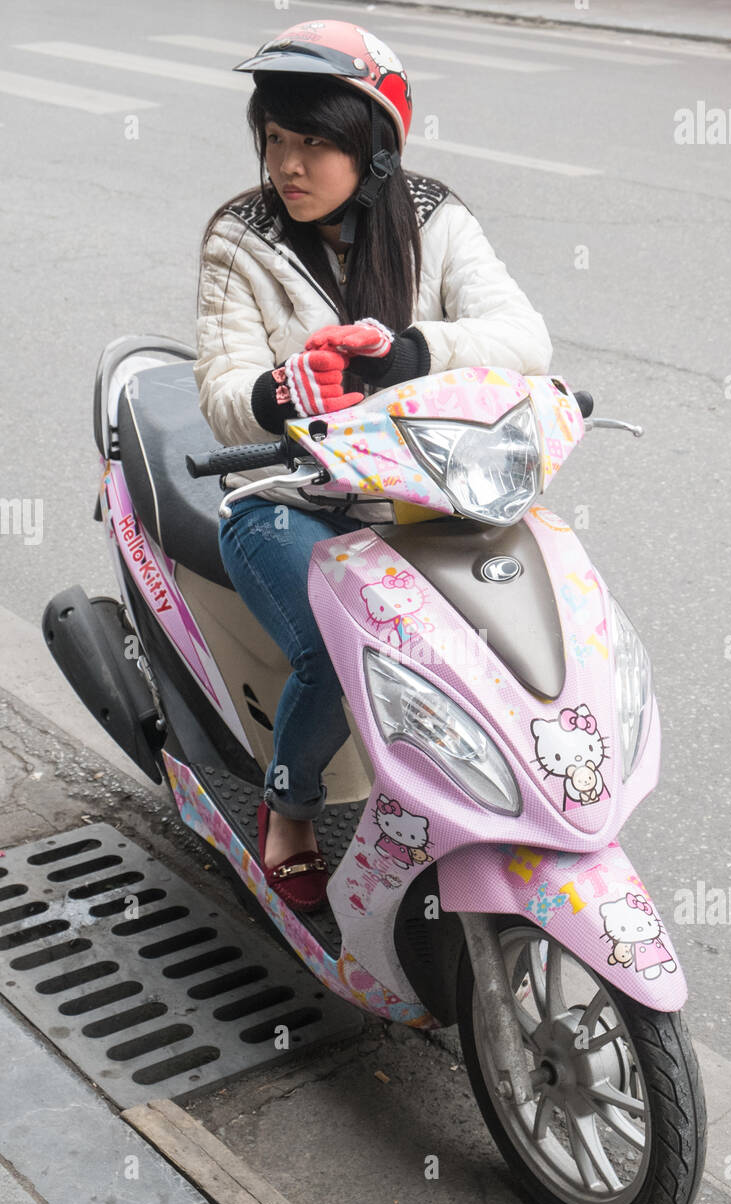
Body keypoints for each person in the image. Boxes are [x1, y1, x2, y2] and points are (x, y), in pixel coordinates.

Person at [194, 18, 552, 912]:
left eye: (315, 143)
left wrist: (408, 353)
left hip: (427, 490)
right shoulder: (238, 238)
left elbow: (524, 338)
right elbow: (222, 387)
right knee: (336, 647)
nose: (288, 166)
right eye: (276, 140)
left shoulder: (434, 218)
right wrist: (286, 389)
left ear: (375, 151)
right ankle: (291, 807)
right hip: (286, 495)